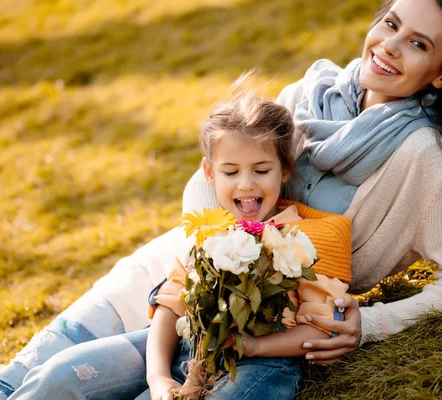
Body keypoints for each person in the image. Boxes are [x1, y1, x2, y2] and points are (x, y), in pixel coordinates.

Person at [0, 0, 442, 397]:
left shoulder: (425, 163)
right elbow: (212, 175)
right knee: (24, 380)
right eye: (390, 24)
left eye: (418, 43)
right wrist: (213, 251)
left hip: (276, 323)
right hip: (184, 265)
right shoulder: (309, 92)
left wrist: (369, 324)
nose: (390, 45)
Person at [146, 90, 352, 400]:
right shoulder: (211, 232)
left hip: (262, 363)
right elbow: (171, 304)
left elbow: (321, 328)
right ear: (209, 173)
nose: (246, 184)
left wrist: (256, 346)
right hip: (186, 357)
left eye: (261, 170)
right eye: (231, 171)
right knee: (70, 376)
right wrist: (158, 378)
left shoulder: (314, 235)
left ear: (285, 169)